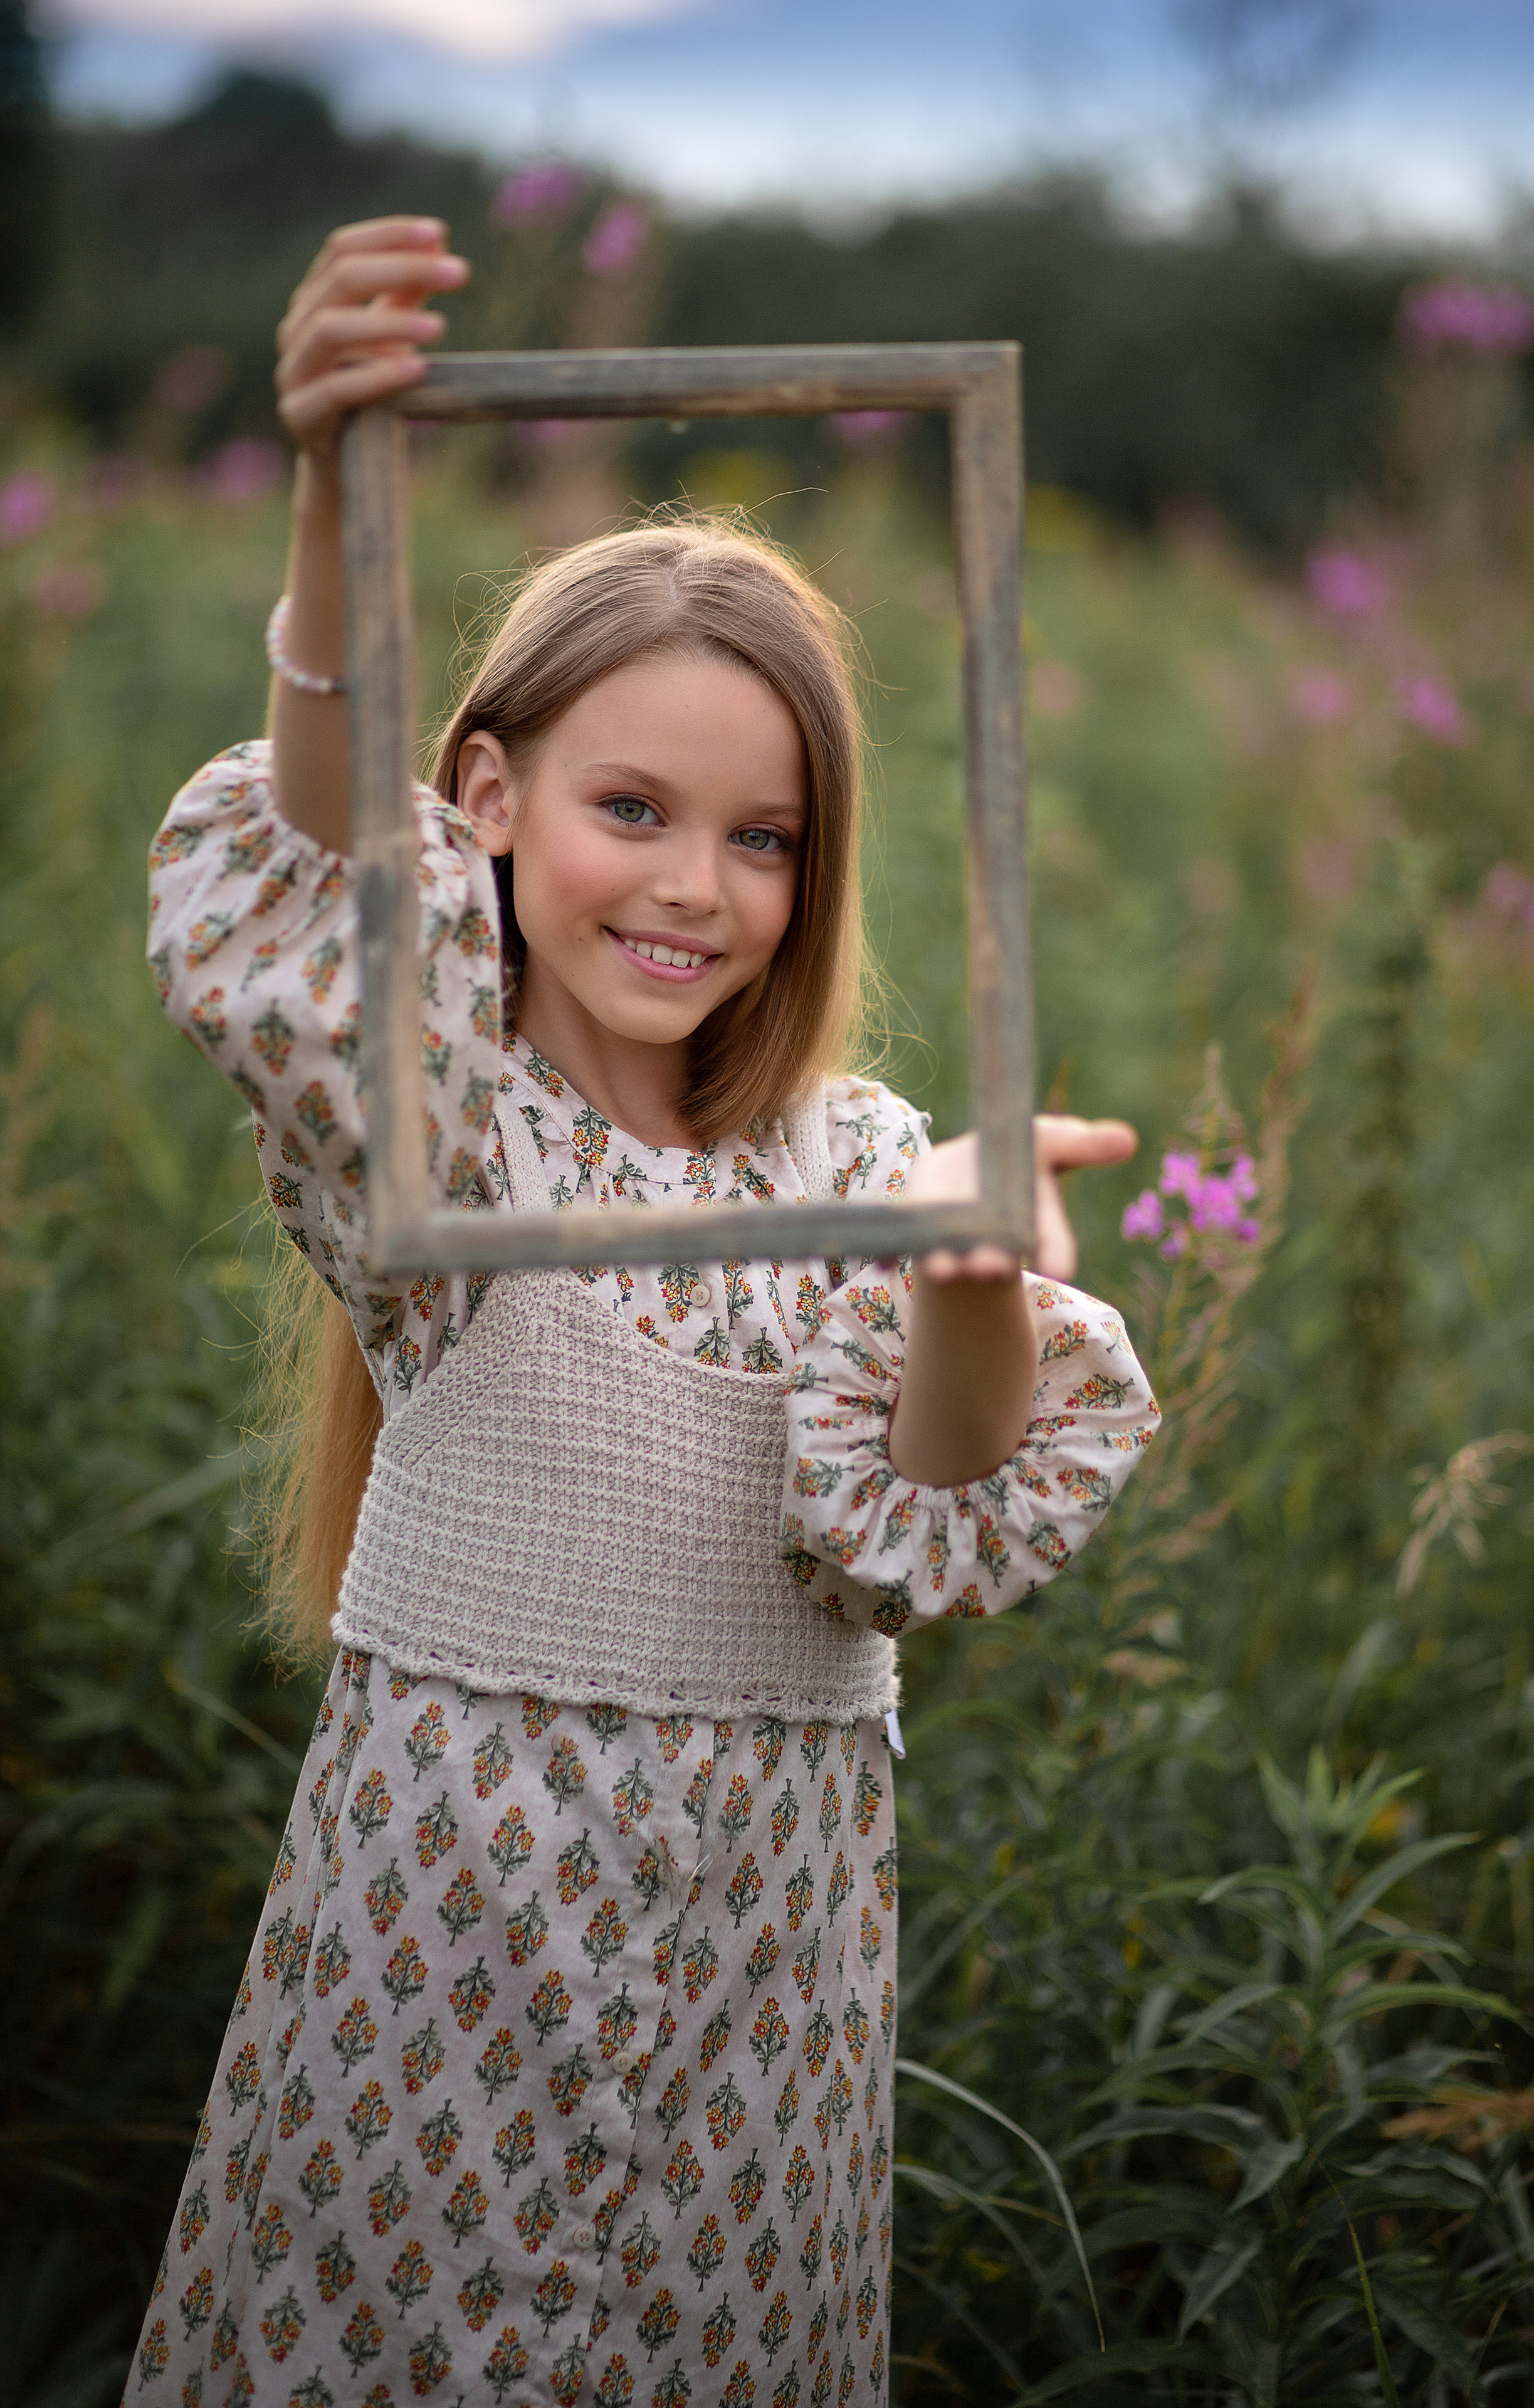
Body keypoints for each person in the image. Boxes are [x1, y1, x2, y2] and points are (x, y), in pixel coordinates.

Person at [126, 216, 1159, 2408]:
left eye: (763, 839)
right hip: (441, 1975)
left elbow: (918, 1521)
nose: (697, 887)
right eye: (632, 810)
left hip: (761, 2001)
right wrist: (330, 495)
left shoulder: (853, 1158)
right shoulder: (444, 1139)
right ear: (487, 801)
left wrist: (970, 1270)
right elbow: (310, 897)